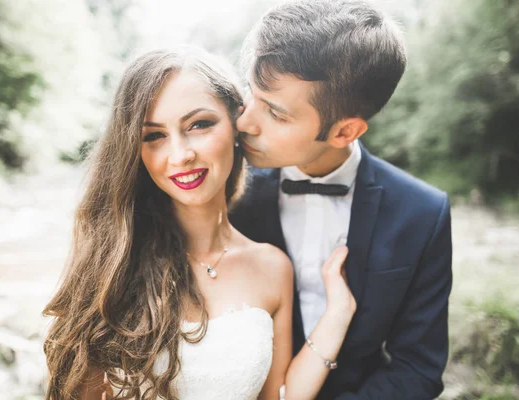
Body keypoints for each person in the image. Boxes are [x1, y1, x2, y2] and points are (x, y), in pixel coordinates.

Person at [43, 47, 357, 400]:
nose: (180, 155)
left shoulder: (272, 267)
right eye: (154, 136)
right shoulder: (112, 260)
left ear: (237, 124)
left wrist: (337, 317)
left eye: (199, 124)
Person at [230, 0, 453, 399]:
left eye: (276, 114)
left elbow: (417, 368)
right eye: (252, 92)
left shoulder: (422, 214)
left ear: (344, 132)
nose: (245, 122)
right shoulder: (227, 190)